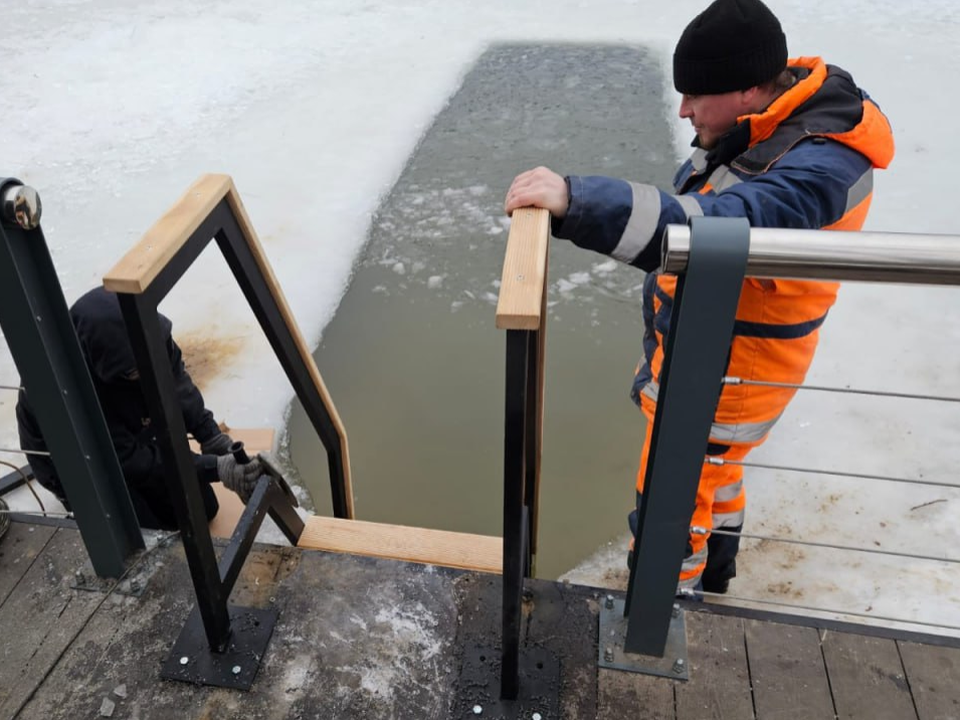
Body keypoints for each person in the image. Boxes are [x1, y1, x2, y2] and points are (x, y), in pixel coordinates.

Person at [504, 0, 894, 594]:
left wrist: (577, 201)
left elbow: (718, 225)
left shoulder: (819, 164)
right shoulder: (769, 121)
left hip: (730, 376)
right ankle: (716, 579)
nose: (683, 110)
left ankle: (662, 616)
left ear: (745, 90)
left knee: (672, 503)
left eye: (695, 96)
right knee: (717, 476)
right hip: (717, 355)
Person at [16, 287, 262, 530]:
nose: (147, 375)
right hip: (85, 461)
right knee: (146, 539)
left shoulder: (152, 336)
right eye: (135, 372)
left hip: (127, 424)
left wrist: (211, 436)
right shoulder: (68, 390)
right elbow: (127, 459)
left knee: (202, 509)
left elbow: (177, 385)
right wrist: (213, 467)